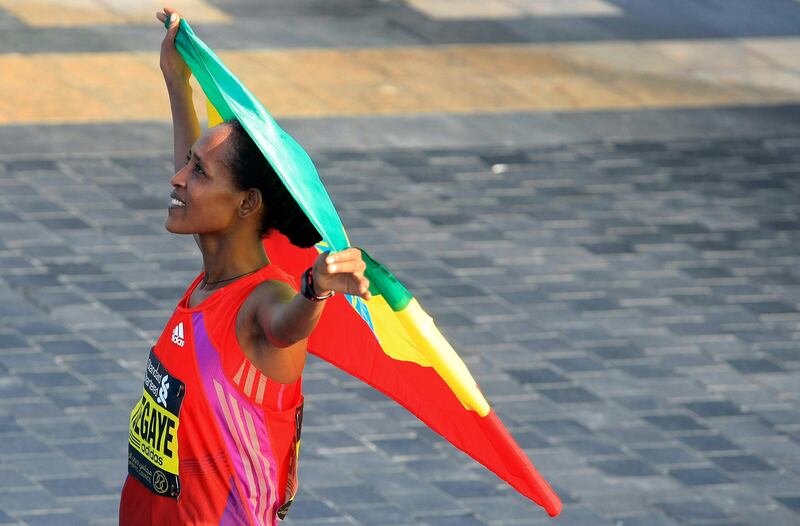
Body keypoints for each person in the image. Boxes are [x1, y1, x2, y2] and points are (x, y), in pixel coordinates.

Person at [119, 8, 371, 525]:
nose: (177, 179)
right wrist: (176, 82)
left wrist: (315, 290)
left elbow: (286, 326)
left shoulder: (264, 300)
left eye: (198, 171)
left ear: (247, 203)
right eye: (187, 163)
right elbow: (197, 177)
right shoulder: (213, 279)